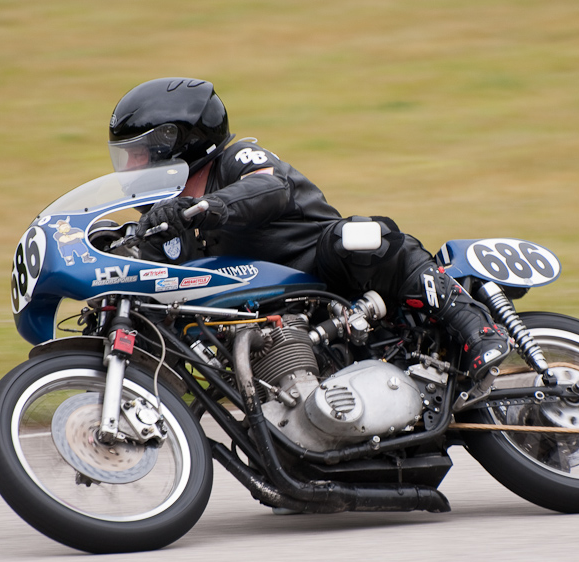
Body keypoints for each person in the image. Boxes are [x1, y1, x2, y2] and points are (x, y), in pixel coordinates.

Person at [107, 77, 512, 381]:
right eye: (126, 157)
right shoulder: (164, 215)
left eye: (139, 154)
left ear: (176, 143)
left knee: (358, 238)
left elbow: (270, 187)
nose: (131, 168)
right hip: (261, 312)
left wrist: (210, 207)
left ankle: (476, 327)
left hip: (320, 272)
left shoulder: (239, 160)